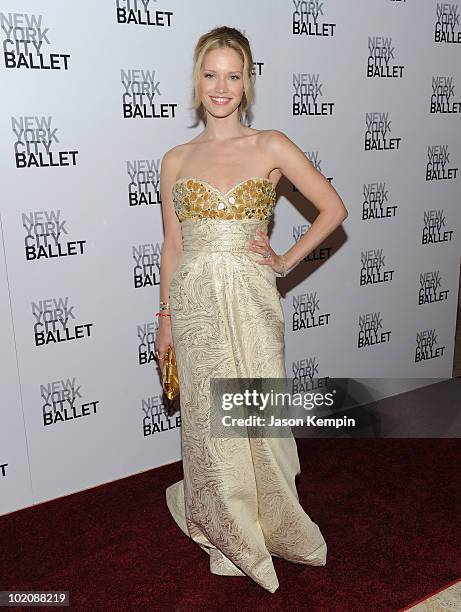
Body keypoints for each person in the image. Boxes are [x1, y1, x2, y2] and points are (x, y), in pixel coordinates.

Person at [155, 26, 348, 593]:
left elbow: (333, 208)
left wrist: (285, 259)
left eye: (232, 76)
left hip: (251, 295)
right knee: (209, 426)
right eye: (211, 74)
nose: (221, 87)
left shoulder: (270, 145)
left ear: (247, 82)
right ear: (198, 80)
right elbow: (171, 246)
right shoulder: (175, 159)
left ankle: (277, 522)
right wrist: (164, 318)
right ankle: (229, 531)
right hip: (192, 301)